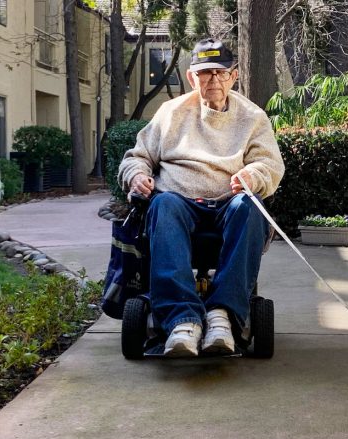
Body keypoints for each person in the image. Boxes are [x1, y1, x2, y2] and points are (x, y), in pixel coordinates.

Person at [118, 38, 285, 357]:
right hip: (178, 203)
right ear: (192, 77)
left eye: (220, 73)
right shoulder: (170, 113)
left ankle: (222, 315)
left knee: (250, 206)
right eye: (205, 73)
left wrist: (252, 175)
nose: (213, 80)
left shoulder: (252, 117)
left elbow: (269, 164)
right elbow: (136, 157)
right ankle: (182, 320)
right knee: (162, 204)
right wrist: (137, 175)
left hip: (230, 203)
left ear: (233, 76)